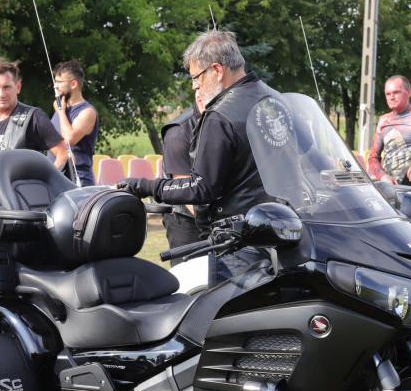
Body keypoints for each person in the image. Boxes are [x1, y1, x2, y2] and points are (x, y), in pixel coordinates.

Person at [117, 30, 277, 284]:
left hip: (238, 242)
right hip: (278, 232)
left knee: (227, 307)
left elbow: (202, 187)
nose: (194, 85)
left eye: (196, 77)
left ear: (217, 70)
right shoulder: (274, 100)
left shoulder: (220, 115)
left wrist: (145, 186)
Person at [0, 58, 67, 175]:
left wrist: (46, 180)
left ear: (18, 87)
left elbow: (64, 154)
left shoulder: (34, 117)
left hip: (21, 187)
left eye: (7, 87)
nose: (1, 94)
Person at [159, 97, 207, 264]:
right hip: (185, 217)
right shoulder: (178, 132)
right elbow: (185, 190)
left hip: (214, 214)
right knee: (190, 276)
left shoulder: (224, 122)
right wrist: (214, 225)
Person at [50, 60, 99, 186]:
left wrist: (61, 112)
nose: (55, 86)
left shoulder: (87, 112)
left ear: (73, 84)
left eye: (59, 82)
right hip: (56, 178)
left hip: (79, 181)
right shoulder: (61, 108)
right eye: (55, 82)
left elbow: (69, 140)